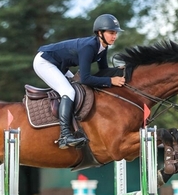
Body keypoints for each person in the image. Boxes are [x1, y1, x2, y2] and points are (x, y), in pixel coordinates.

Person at [33, 14, 126, 149]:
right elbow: (86, 79)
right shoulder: (89, 47)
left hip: (61, 66)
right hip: (44, 62)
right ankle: (64, 135)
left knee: (76, 89)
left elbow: (104, 70)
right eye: (111, 33)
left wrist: (118, 71)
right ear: (100, 33)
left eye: (115, 33)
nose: (114, 36)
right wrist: (111, 80)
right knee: (68, 91)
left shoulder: (103, 47)